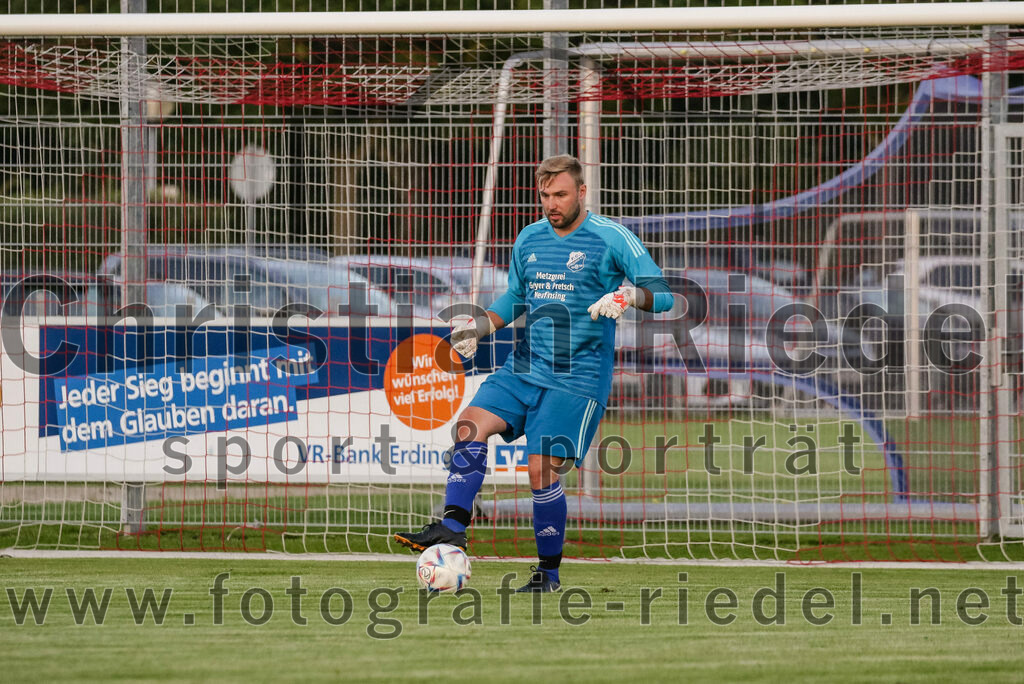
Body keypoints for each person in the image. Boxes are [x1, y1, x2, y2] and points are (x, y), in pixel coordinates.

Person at [395, 154, 673, 592]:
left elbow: (664, 295)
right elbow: (515, 299)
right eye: (544, 196)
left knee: (540, 468)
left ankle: (548, 573)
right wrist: (480, 326)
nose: (551, 204)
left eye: (560, 194)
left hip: (577, 379)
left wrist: (628, 298)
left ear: (582, 192)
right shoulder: (529, 239)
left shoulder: (612, 237)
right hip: (524, 367)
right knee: (468, 426)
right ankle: (453, 529)